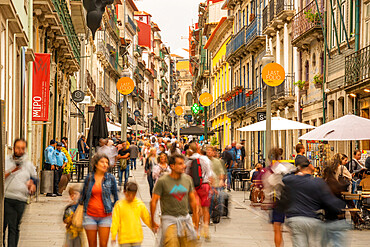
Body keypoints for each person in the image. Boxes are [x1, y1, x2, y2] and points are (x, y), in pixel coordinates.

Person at [282, 155, 345, 247]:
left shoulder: (292, 180)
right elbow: (328, 200)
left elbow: (284, 178)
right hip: (312, 220)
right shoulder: (317, 182)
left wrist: (295, 170)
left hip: (295, 219)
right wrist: (339, 207)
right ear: (309, 166)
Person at [150, 154, 199, 246]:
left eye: (183, 163)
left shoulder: (188, 179)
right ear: (172, 166)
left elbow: (193, 200)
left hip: (185, 219)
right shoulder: (163, 181)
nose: (184, 166)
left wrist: (195, 220)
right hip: (169, 221)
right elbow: (154, 201)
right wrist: (152, 221)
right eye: (180, 164)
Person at [80, 154, 119, 247]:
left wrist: (110, 206)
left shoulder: (111, 178)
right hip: (89, 215)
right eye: (102, 162)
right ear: (96, 164)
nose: (105, 164)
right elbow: (83, 197)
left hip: (105, 216)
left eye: (107, 162)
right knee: (92, 244)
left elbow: (116, 197)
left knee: (103, 245)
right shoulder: (89, 178)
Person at [3, 139, 37, 247]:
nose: (20, 151)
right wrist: (12, 170)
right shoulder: (6, 161)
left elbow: (34, 178)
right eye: (18, 148)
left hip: (21, 199)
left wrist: (32, 185)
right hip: (8, 198)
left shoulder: (28, 164)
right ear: (13, 148)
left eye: (22, 148)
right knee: (7, 226)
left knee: (15, 226)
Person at [322, 154, 351, 247]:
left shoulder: (325, 183)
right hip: (338, 215)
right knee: (337, 241)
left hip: (328, 218)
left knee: (326, 240)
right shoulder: (336, 183)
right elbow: (349, 177)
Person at [111, 182, 151, 247]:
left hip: (137, 238)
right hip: (124, 239)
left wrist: (153, 226)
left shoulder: (139, 204)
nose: (131, 197)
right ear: (124, 192)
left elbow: (146, 218)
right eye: (129, 195)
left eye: (133, 195)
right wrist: (113, 235)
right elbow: (115, 221)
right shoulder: (119, 205)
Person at [186, 143, 213, 240]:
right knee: (205, 209)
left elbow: (186, 174)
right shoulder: (205, 159)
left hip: (193, 187)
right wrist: (211, 186)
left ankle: (196, 231)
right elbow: (210, 174)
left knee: (196, 209)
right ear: (199, 149)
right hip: (205, 185)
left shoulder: (189, 160)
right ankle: (205, 228)